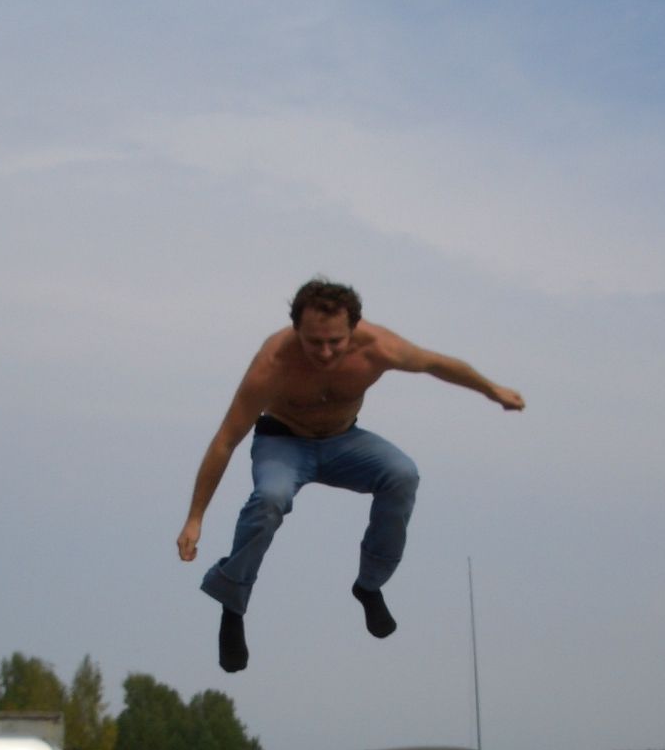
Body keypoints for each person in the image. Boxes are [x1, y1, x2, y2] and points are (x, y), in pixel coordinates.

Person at [178, 278, 525, 672]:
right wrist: (195, 517)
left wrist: (492, 390)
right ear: (296, 329)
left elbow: (436, 364)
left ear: (353, 328)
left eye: (335, 342)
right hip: (283, 443)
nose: (325, 353)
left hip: (343, 442)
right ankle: (232, 603)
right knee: (270, 498)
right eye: (314, 342)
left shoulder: (379, 347)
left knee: (403, 473)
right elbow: (225, 440)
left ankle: (369, 585)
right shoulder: (273, 363)